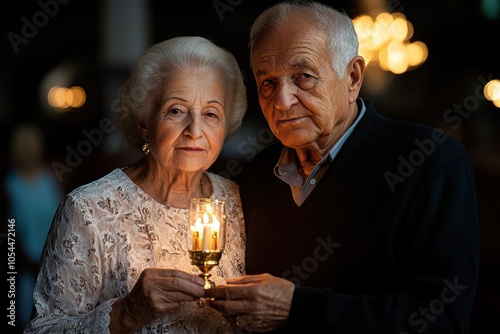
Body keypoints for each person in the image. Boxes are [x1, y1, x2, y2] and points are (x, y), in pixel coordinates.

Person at [205, 1, 480, 333]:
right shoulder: (253, 176)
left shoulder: (431, 162)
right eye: (268, 83)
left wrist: (297, 308)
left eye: (303, 77)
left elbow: (443, 322)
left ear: (352, 78)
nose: (282, 101)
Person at [24, 35, 248, 333]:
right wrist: (127, 312)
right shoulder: (87, 210)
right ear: (144, 122)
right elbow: (41, 330)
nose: (195, 131)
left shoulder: (237, 199)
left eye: (211, 114)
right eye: (176, 111)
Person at [3, 123, 63, 331]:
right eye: (24, 144)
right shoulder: (10, 187)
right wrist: (35, 268)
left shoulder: (50, 177)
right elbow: (11, 237)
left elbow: (64, 218)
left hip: (59, 267)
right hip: (29, 273)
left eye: (33, 143)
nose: (30, 149)